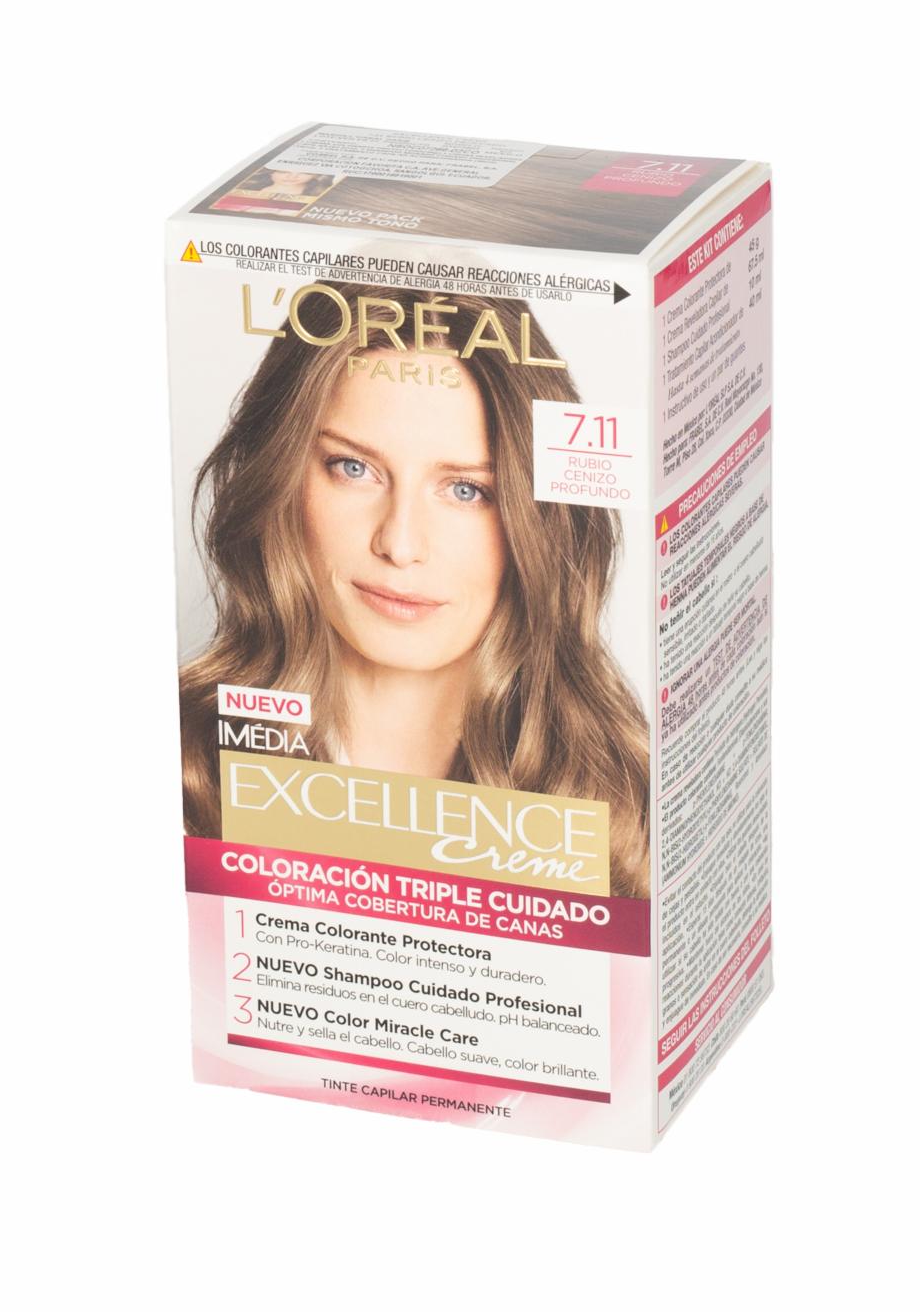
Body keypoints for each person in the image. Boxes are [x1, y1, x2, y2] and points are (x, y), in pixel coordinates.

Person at [180, 284, 650, 897]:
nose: (399, 545)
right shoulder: (184, 771)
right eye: (353, 468)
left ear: (538, 521)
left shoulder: (625, 818)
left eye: (466, 490)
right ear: (283, 476)